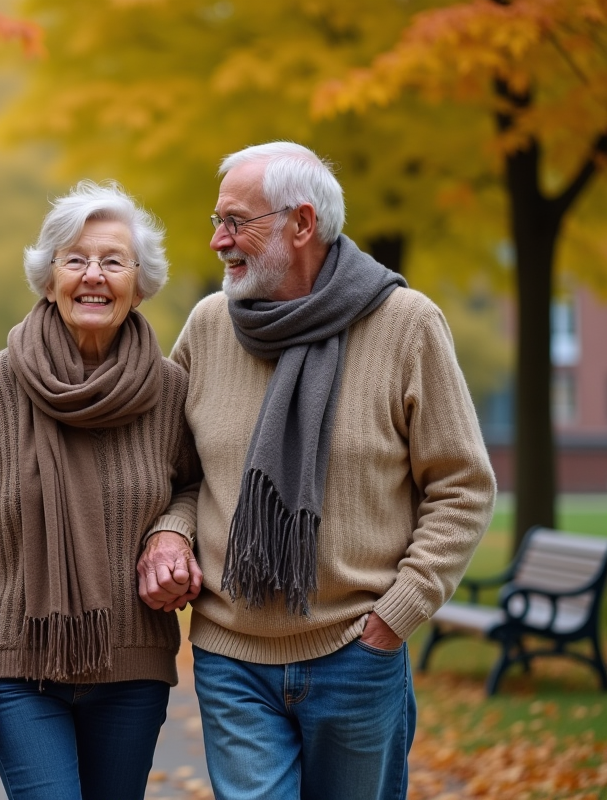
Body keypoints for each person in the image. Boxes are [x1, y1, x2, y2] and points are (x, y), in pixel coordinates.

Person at [137, 141, 497, 800]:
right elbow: (174, 473)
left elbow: (461, 485)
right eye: (216, 221)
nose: (219, 240)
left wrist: (395, 617)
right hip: (232, 657)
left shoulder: (406, 325)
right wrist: (170, 535)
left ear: (302, 224)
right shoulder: (210, 327)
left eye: (236, 222)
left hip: (357, 655)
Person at [0, 181, 201, 800]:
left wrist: (174, 529)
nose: (93, 275)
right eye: (75, 259)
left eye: (112, 261)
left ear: (139, 283)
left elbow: (198, 488)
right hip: (18, 669)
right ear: (49, 278)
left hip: (131, 669)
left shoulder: (171, 391)